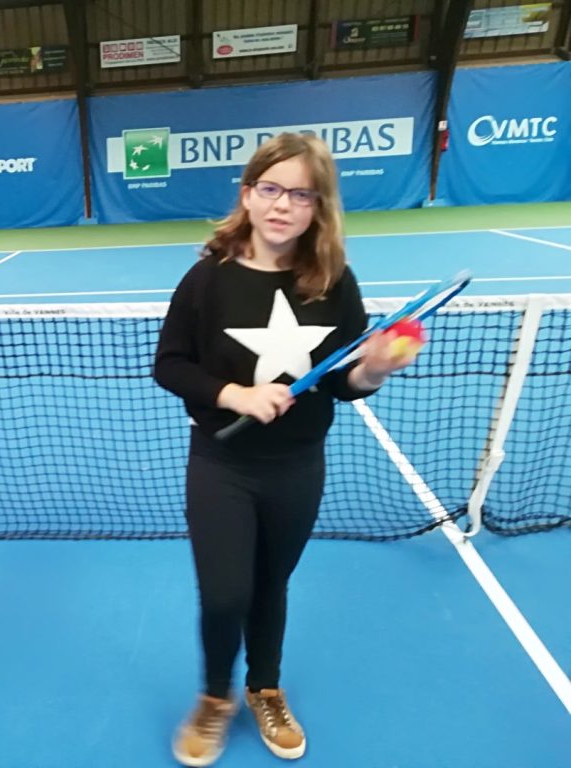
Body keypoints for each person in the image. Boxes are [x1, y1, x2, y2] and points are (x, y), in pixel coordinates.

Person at [154, 133, 419, 765]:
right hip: (221, 464)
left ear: (318, 207)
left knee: (271, 586)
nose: (282, 205)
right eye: (270, 189)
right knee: (226, 593)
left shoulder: (334, 283)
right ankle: (214, 697)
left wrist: (375, 369)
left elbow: (343, 382)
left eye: (301, 195)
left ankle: (264, 689)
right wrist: (236, 395)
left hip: (297, 467)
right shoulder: (206, 280)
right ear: (247, 195)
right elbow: (170, 365)